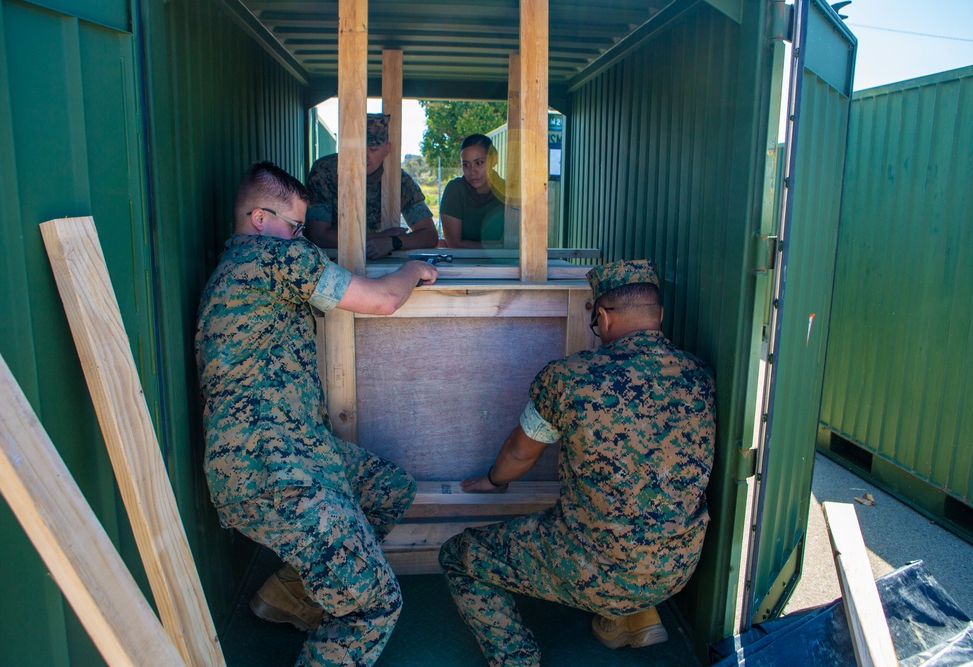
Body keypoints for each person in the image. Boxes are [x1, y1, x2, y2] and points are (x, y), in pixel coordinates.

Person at [195, 161, 438, 666]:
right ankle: (333, 611)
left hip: (294, 452)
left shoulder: (244, 266)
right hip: (270, 468)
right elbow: (383, 300)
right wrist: (415, 267)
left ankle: (292, 596)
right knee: (375, 604)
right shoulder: (271, 259)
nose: (303, 239)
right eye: (295, 226)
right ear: (261, 219)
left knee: (388, 488)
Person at [438, 259, 716, 666]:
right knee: (614, 520)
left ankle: (517, 659)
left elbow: (519, 454)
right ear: (657, 316)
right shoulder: (699, 375)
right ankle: (634, 617)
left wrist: (494, 481)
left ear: (601, 316)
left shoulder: (569, 378)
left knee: (460, 555)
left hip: (597, 567)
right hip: (677, 568)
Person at [303, 113, 439, 259]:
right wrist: (377, 238)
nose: (365, 156)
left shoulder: (397, 179)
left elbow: (429, 235)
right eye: (358, 148)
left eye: (373, 149)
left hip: (376, 263)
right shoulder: (325, 171)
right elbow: (318, 235)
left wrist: (392, 242)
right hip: (328, 262)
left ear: (386, 149)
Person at [439, 134, 507, 248]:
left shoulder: (508, 191)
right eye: (466, 165)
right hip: (462, 264)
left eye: (479, 163)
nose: (472, 171)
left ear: (494, 160)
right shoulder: (455, 191)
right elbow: (454, 244)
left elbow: (515, 244)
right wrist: (497, 247)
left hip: (505, 265)